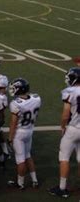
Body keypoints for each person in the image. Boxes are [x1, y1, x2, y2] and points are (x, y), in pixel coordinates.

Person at [48, 67, 80, 198]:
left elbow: (66, 114)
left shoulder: (70, 91)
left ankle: (62, 188)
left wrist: (62, 126)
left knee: (64, 157)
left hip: (73, 128)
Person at [7, 78, 41, 189]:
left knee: (20, 159)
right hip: (29, 130)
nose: (12, 89)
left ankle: (20, 183)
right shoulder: (36, 99)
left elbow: (13, 122)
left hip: (19, 133)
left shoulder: (16, 104)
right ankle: (34, 180)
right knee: (28, 155)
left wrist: (10, 138)